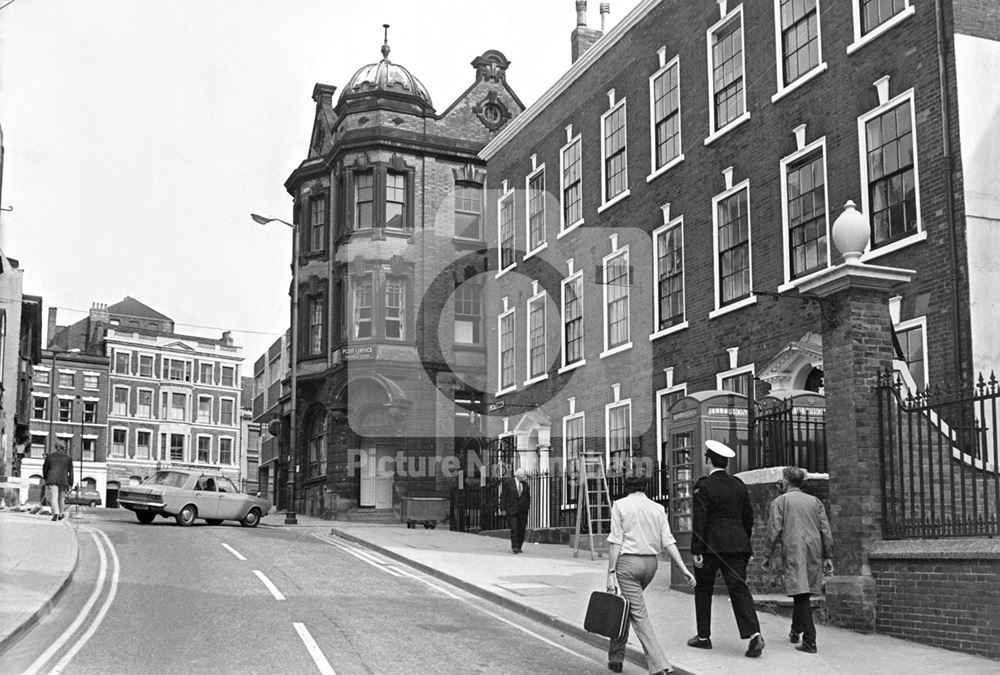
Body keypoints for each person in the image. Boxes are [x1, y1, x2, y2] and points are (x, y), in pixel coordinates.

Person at [606, 472, 696, 675]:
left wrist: (610, 572)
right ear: (646, 487)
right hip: (651, 566)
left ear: (626, 487)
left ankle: (660, 666)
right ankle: (615, 658)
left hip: (627, 565)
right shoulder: (658, 508)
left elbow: (616, 541)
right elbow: (668, 540)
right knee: (626, 607)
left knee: (638, 614)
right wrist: (684, 569)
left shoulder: (620, 505)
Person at [688, 440, 765, 658]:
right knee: (739, 589)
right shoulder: (739, 485)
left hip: (710, 547)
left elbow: (700, 521)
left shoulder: (703, 486)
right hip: (737, 546)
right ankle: (754, 634)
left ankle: (703, 637)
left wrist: (697, 550)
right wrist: (745, 543)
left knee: (703, 590)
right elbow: (748, 518)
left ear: (709, 460)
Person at [761, 466, 835, 654]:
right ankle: (796, 630)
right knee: (803, 590)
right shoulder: (814, 501)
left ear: (785, 481)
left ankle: (810, 640)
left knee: (800, 593)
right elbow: (825, 530)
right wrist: (828, 555)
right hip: (814, 548)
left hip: (795, 548)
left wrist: (767, 555)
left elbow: (773, 530)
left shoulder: (780, 501)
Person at [499, 467, 530, 554]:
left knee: (521, 529)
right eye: (524, 476)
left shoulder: (525, 485)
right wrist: (503, 508)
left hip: (522, 511)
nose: (525, 477)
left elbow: (527, 497)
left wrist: (527, 506)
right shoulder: (508, 483)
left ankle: (519, 546)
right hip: (511, 509)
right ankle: (515, 547)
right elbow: (503, 496)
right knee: (514, 528)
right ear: (519, 476)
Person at [42, 442, 74, 522]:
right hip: (63, 480)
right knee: (61, 498)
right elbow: (71, 472)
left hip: (51, 479)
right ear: (64, 448)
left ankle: (55, 513)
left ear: (56, 447)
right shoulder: (68, 457)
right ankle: (61, 514)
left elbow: (45, 469)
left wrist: (46, 478)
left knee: (54, 497)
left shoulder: (50, 456)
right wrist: (71, 483)